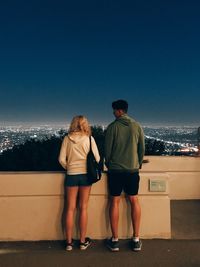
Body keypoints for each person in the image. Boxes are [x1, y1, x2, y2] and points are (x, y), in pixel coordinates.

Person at [105, 99, 145, 252]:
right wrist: (138, 163)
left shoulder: (112, 127)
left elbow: (107, 152)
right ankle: (136, 239)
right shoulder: (137, 126)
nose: (113, 113)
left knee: (114, 202)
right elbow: (141, 148)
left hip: (115, 171)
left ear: (120, 111)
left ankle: (115, 240)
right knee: (134, 200)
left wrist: (109, 164)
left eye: (114, 110)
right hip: (132, 171)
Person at [59, 115, 100, 251]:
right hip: (86, 176)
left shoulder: (67, 138)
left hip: (71, 175)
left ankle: (69, 243)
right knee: (83, 207)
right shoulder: (89, 138)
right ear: (85, 124)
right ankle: (82, 242)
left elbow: (61, 159)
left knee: (69, 208)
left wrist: (70, 167)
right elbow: (97, 158)